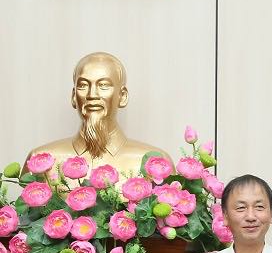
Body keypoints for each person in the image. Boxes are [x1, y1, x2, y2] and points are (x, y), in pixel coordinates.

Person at [28, 51, 170, 172]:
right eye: (83, 85)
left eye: (103, 85)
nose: (92, 94)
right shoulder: (40, 162)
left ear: (122, 97)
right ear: (73, 96)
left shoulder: (155, 164)